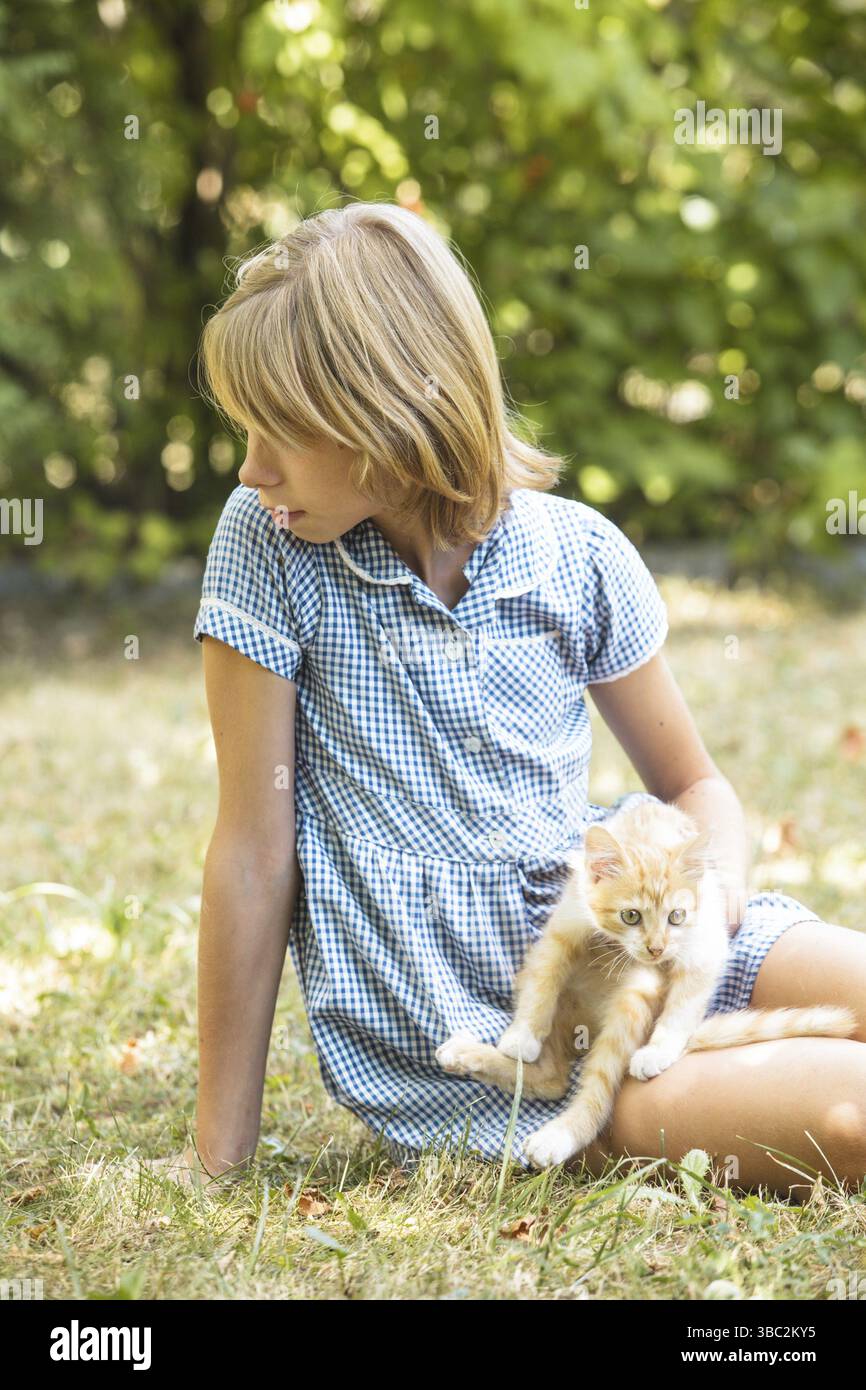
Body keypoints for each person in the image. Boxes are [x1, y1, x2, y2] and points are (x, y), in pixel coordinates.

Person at [169, 201, 866, 1195]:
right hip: (524, 1051)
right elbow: (250, 850)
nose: (250, 466)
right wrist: (216, 1157)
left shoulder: (574, 553)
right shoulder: (267, 544)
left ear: (390, 412)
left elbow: (694, 785)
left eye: (278, 430)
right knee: (851, 1112)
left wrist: (698, 934)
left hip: (650, 943)